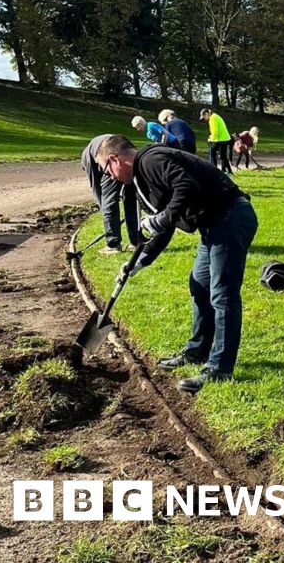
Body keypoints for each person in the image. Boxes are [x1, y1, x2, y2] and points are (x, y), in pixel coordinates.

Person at [94, 135, 258, 394]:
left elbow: (186, 185)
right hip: (214, 225)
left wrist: (162, 218)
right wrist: (139, 262)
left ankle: (220, 368)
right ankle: (197, 352)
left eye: (106, 170)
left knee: (223, 295)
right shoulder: (144, 176)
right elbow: (166, 225)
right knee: (199, 285)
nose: (110, 177)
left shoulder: (151, 160)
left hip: (230, 219)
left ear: (115, 159)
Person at [80, 134, 141, 254]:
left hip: (112, 159)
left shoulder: (90, 159)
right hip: (116, 157)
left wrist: (103, 207)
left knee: (112, 201)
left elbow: (97, 188)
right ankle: (135, 241)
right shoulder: (92, 159)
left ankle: (114, 244)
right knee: (129, 201)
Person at [200, 108, 233, 173]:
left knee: (212, 154)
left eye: (204, 117)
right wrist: (211, 136)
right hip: (225, 138)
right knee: (223, 156)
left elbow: (215, 132)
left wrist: (210, 139)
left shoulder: (212, 119)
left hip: (220, 139)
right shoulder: (215, 116)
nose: (204, 119)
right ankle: (229, 171)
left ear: (206, 114)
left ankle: (214, 171)